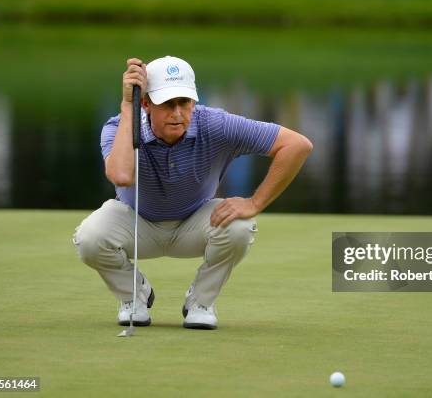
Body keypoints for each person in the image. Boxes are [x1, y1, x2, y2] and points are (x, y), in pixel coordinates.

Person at [73, 56, 312, 330]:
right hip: (137, 224)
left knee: (240, 226)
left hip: (195, 223)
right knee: (90, 238)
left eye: (184, 103)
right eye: (167, 104)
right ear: (146, 103)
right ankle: (133, 296)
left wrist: (255, 202)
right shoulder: (118, 127)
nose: (177, 114)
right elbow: (121, 176)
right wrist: (128, 106)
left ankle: (200, 302)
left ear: (194, 102)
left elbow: (297, 145)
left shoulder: (216, 124)